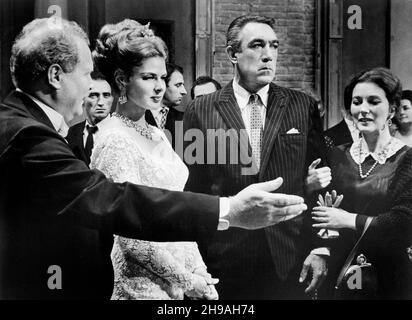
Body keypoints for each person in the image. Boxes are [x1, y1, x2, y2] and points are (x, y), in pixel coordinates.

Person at [0, 17, 307, 300]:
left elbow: (167, 201)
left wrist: (196, 271)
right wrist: (227, 212)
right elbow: (115, 205)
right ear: (55, 76)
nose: (91, 89)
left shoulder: (155, 131)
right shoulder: (28, 135)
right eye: (85, 76)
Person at [183, 15, 328, 299]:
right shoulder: (200, 109)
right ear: (232, 54)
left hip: (289, 256)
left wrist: (320, 246)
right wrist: (192, 260)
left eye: (273, 46)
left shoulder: (302, 105)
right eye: (257, 45)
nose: (268, 55)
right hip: (225, 256)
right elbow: (194, 189)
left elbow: (322, 182)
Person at [92, 19, 218, 300]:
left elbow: (178, 210)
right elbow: (130, 238)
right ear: (122, 80)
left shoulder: (156, 132)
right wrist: (189, 281)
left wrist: (200, 273)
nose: (160, 86)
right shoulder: (113, 137)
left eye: (162, 77)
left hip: (175, 285)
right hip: (139, 288)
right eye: (148, 77)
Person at [312, 67, 412, 299]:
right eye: (357, 102)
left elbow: (404, 222)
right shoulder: (336, 155)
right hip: (339, 269)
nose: (363, 109)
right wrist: (321, 247)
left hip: (388, 275)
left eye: (373, 101)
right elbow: (321, 214)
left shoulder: (407, 159)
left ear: (392, 109)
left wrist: (347, 219)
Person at [66, 70, 113, 165]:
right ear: (83, 98)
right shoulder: (71, 132)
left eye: (106, 95)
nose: (101, 102)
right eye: (93, 95)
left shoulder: (123, 129)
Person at [145, 63, 186, 149]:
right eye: (178, 85)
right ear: (162, 85)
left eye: (183, 85)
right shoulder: (138, 115)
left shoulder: (183, 119)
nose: (184, 91)